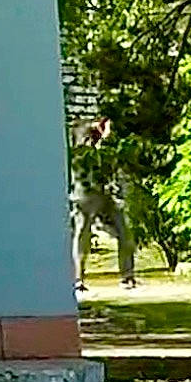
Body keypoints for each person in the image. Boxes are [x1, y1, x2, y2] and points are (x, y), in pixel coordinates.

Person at [70, 117, 136, 289]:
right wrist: (100, 131)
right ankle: (78, 279)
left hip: (107, 194)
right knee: (82, 234)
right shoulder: (80, 136)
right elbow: (83, 150)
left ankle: (127, 276)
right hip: (86, 194)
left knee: (125, 233)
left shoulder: (107, 147)